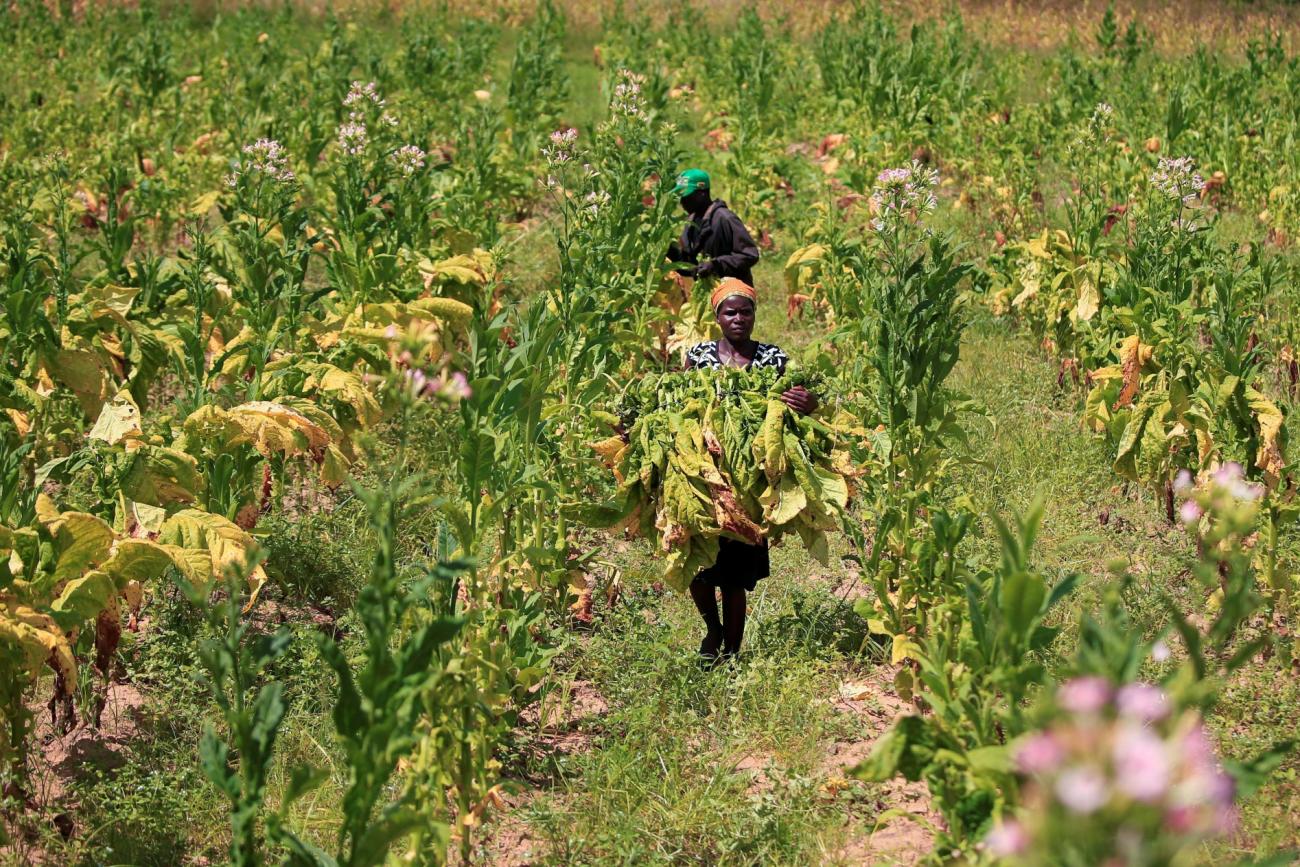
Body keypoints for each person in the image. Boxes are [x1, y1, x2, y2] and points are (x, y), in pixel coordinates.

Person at [684, 277, 818, 662]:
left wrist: (806, 402)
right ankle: (712, 629)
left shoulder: (773, 359)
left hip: (753, 478)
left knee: (735, 574)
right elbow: (675, 401)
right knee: (698, 560)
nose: (738, 318)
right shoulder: (699, 356)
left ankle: (732, 652)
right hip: (706, 472)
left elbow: (804, 400)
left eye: (746, 311)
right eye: (730, 312)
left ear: (755, 315)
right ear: (717, 317)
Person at [667, 168, 761, 287]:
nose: (683, 201)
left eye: (687, 196)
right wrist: (668, 250)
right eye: (681, 197)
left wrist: (716, 265)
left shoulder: (725, 218)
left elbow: (750, 254)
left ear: (703, 193)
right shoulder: (690, 223)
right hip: (707, 293)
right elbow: (689, 266)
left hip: (733, 293)